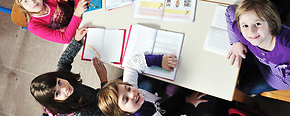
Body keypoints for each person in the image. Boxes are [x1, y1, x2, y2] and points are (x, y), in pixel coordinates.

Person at [225, 0, 290, 95]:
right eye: (245, 25)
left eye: (257, 24)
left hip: (288, 79)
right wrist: (236, 42)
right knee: (237, 61)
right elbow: (230, 9)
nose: (251, 31)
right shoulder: (244, 34)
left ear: (272, 24)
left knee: (245, 87)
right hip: (268, 63)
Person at [97, 52, 231, 116]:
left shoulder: (133, 92)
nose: (132, 93)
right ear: (124, 113)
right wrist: (190, 105)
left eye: (128, 88)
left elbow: (130, 64)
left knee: (187, 88)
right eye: (125, 99)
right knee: (207, 99)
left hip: (163, 106)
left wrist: (159, 60)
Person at [30, 28, 107, 116]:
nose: (64, 88)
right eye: (57, 93)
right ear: (54, 102)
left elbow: (64, 61)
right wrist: (103, 80)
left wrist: (76, 40)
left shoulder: (62, 78)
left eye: (59, 82)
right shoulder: (79, 113)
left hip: (100, 96)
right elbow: (108, 108)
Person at [13, 0, 88, 43]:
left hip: (81, 13)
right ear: (23, 7)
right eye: (25, 1)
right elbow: (66, 39)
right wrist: (77, 14)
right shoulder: (34, 26)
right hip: (76, 32)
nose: (32, 2)